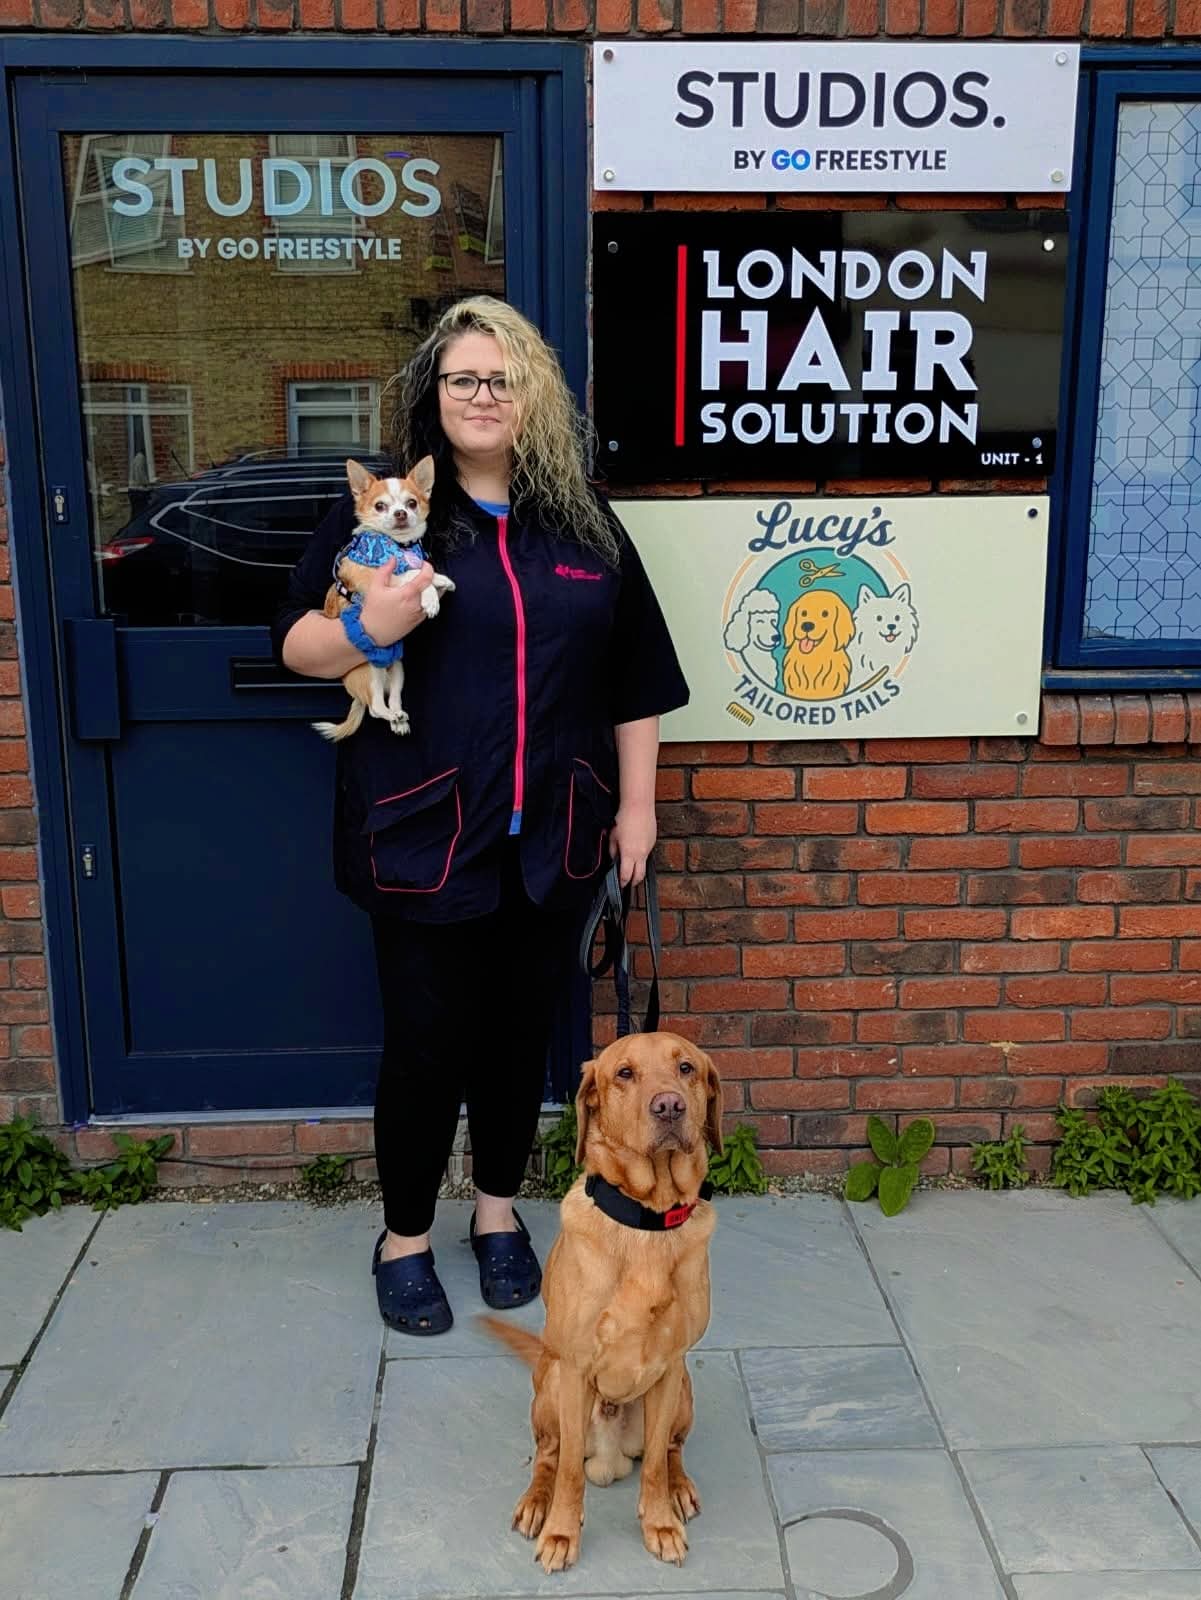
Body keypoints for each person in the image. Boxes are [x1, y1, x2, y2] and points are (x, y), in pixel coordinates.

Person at [271, 297, 688, 1337]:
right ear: (434, 393)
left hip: (557, 832)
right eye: (462, 378)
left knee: (517, 1044)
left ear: (530, 393)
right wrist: (372, 623)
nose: (481, 396)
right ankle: (403, 1237)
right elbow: (297, 650)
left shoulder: (580, 521)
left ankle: (497, 1217)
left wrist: (635, 811)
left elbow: (634, 677)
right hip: (421, 831)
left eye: (500, 379)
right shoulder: (389, 511)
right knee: (423, 1045)